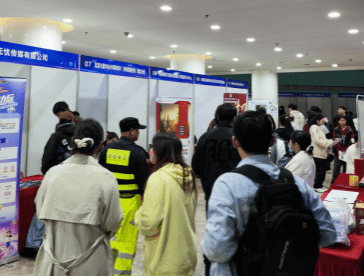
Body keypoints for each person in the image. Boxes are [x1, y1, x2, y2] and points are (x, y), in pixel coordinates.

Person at [202, 111, 337, 276]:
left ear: (235, 141)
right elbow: (328, 234)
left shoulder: (227, 185)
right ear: (271, 141)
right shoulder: (296, 183)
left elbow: (217, 251)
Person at [33, 118, 124, 276]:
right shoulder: (106, 178)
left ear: (73, 141)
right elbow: (113, 221)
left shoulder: (52, 174)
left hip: (53, 260)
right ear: (99, 146)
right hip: (91, 261)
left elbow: (41, 213)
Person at [135, 133, 197, 276]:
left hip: (163, 261)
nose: (150, 151)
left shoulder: (158, 178)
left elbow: (148, 223)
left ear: (161, 152)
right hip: (186, 257)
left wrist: (138, 215)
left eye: (153, 147)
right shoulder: (187, 175)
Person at [98, 117, 150, 276]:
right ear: (132, 131)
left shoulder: (106, 150)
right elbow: (144, 183)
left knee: (108, 239)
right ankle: (121, 273)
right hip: (130, 204)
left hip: (109, 202)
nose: (138, 133)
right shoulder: (138, 152)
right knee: (126, 243)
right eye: (138, 130)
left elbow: (100, 175)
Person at [192, 103, 239, 276]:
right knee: (235, 233)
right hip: (235, 194)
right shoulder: (237, 137)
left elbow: (195, 166)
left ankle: (210, 269)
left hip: (211, 193)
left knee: (213, 232)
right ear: (234, 118)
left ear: (216, 117)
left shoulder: (205, 137)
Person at [41, 110, 76, 174]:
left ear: (60, 121)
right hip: (75, 173)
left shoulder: (56, 136)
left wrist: (46, 172)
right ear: (72, 121)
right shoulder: (78, 136)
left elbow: (48, 157)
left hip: (58, 174)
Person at [310, 113, 334, 193]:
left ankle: (320, 185)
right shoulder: (314, 127)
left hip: (322, 152)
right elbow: (317, 140)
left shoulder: (319, 127)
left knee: (322, 170)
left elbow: (323, 139)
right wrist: (328, 143)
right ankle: (316, 186)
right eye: (322, 120)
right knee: (319, 170)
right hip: (317, 153)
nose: (323, 122)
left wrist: (329, 142)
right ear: (317, 120)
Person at [331, 116, 355, 184]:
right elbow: (335, 141)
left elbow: (352, 139)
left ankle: (344, 182)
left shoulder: (349, 129)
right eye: (341, 120)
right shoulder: (336, 129)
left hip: (347, 152)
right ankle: (334, 183)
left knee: (346, 168)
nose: (343, 122)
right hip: (338, 152)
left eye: (344, 120)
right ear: (338, 122)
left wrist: (347, 149)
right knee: (336, 168)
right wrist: (340, 150)